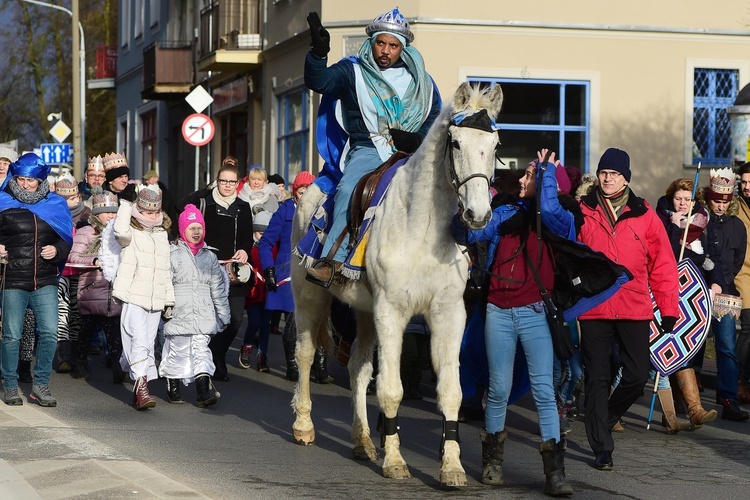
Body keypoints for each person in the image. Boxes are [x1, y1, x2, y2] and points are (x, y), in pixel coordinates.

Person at [451, 151, 575, 496]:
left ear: (549, 184)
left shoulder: (561, 220)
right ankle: (492, 462)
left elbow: (548, 209)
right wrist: (465, 203)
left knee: (543, 392)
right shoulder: (504, 212)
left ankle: (555, 472)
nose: (522, 179)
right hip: (498, 312)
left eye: (530, 175)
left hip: (536, 313)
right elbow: (467, 235)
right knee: (499, 389)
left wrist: (547, 171)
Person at [304, 7, 441, 283]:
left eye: (393, 45)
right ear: (372, 42)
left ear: (402, 48)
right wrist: (318, 54)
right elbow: (319, 81)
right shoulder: (351, 70)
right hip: (368, 149)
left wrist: (417, 139)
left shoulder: (422, 81)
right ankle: (333, 261)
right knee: (348, 189)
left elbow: (434, 115)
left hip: (411, 152)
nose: (386, 51)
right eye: (381, 43)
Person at [576, 148, 679, 470]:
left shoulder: (645, 214)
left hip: (634, 305)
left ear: (625, 178)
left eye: (615, 174)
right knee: (597, 377)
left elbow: (662, 264)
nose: (608, 178)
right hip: (594, 305)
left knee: (636, 375)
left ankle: (604, 417)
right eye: (604, 172)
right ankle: (602, 448)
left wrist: (669, 308)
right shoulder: (582, 210)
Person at [0, 153, 73, 407]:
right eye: (20, 179)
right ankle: (9, 384)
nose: (25, 185)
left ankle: (40, 384)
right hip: (13, 278)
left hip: (44, 279)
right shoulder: (3, 201)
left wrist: (58, 251)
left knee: (50, 333)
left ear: (41, 179)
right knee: (11, 336)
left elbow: (64, 238)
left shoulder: (55, 204)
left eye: (31, 180)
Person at [178, 157, 254, 381]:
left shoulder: (243, 207)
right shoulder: (205, 203)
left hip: (235, 272)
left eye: (232, 182)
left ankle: (217, 355)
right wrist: (204, 190)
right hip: (207, 269)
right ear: (217, 181)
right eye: (223, 181)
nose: (228, 185)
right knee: (210, 319)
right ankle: (210, 362)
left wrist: (244, 251)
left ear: (238, 183)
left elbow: (247, 238)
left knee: (236, 319)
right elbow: (179, 206)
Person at [656, 177, 720, 429]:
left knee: (688, 349)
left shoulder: (702, 223)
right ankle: (610, 413)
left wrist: (716, 282)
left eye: (687, 199)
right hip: (666, 295)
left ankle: (689, 409)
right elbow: (667, 254)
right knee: (663, 349)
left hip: (693, 299)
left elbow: (711, 259)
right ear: (671, 198)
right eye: (678, 199)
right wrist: (674, 226)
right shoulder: (662, 218)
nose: (683, 204)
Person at [160, 204, 230, 407]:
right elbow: (165, 282)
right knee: (178, 351)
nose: (196, 232)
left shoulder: (210, 256)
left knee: (202, 350)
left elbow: (218, 288)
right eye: (192, 228)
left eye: (199, 227)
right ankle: (173, 385)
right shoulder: (173, 254)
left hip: (204, 312)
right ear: (183, 230)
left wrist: (224, 315)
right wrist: (166, 305)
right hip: (179, 312)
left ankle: (203, 390)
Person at [112, 184, 175, 410]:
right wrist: (126, 204)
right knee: (137, 338)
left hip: (155, 298)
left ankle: (126, 368)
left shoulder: (161, 234)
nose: (151, 216)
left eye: (155, 212)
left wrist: (169, 299)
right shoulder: (130, 229)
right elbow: (120, 233)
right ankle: (141, 389)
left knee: (146, 343)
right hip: (132, 294)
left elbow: (165, 270)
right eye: (147, 212)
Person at [699, 168, 749, 420]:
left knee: (727, 346)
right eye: (715, 202)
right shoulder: (700, 221)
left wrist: (724, 281)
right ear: (708, 199)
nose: (719, 207)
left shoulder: (737, 226)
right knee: (696, 344)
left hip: (727, 292)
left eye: (723, 203)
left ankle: (728, 398)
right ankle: (689, 396)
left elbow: (738, 259)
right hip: (699, 290)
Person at [259, 171, 317, 377]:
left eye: (310, 191)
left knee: (319, 319)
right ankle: (293, 366)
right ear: (295, 194)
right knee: (293, 321)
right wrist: (269, 269)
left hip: (315, 271)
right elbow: (265, 243)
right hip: (288, 272)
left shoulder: (322, 212)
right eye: (302, 191)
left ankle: (319, 366)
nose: (306, 196)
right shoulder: (285, 211)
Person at [68, 186, 125, 383]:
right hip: (91, 290)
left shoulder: (121, 233)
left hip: (114, 293)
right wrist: (94, 260)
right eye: (106, 212)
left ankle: (119, 366)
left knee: (115, 332)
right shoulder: (86, 232)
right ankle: (80, 362)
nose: (110, 216)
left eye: (113, 212)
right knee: (86, 330)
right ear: (97, 214)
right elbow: (73, 256)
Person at [54, 172, 90, 374]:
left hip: (79, 270)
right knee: (61, 312)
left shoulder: (87, 214)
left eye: (73, 197)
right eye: (64, 198)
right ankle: (64, 355)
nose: (69, 202)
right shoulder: (52, 213)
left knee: (77, 312)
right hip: (59, 270)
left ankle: (77, 355)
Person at [239, 210, 273, 372]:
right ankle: (246, 347)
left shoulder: (274, 248)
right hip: (253, 292)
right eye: (260, 233)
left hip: (269, 293)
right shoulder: (249, 248)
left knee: (265, 325)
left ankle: (262, 355)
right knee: (254, 322)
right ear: (254, 232)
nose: (263, 236)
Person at [734, 162, 750, 403]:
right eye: (744, 182)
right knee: (747, 328)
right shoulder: (736, 207)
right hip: (743, 274)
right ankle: (737, 382)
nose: (746, 187)